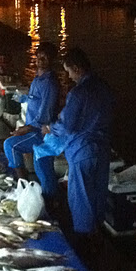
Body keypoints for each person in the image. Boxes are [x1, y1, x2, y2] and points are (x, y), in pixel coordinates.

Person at [34, 47, 114, 235]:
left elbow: (67, 125)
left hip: (82, 151)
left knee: (81, 198)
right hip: (102, 149)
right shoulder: (104, 87)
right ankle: (98, 235)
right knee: (98, 194)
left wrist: (50, 128)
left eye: (69, 71)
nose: (68, 76)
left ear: (77, 68)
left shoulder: (78, 93)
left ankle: (84, 239)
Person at [3, 42, 60, 179]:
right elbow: (33, 98)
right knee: (42, 169)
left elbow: (45, 114)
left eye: (45, 58)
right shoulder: (38, 79)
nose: (40, 61)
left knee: (10, 145)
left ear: (52, 60)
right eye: (39, 57)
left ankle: (23, 182)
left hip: (40, 132)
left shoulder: (49, 83)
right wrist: (23, 98)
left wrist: (26, 128)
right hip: (32, 127)